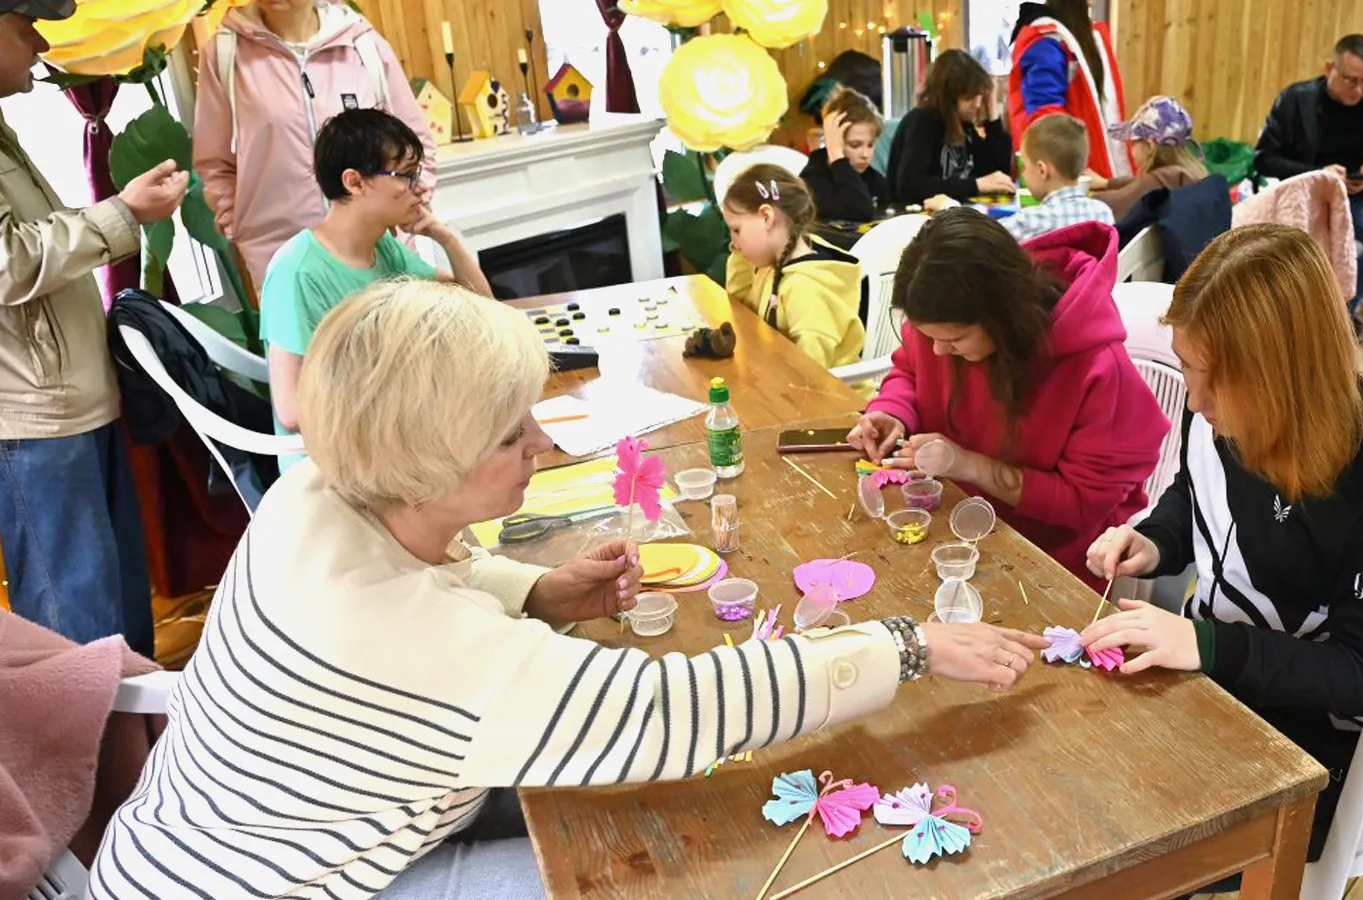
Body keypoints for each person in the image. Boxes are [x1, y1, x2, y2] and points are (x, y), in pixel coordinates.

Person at [87, 279, 1050, 900]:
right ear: (426, 470)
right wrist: (906, 646)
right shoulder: (424, 647)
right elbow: (674, 711)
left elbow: (435, 572)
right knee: (662, 874)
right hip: (281, 887)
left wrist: (539, 592)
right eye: (512, 434)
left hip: (197, 847)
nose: (543, 445)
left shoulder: (314, 493)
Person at [1081, 224, 1363, 870]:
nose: (1194, 400)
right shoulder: (1222, 406)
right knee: (1079, 771)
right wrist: (1156, 539)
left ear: (1283, 377)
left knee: (1126, 850)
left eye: (1211, 381)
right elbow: (1196, 490)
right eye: (1186, 368)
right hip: (1212, 689)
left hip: (1330, 750)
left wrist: (1209, 646)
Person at [0, 1, 190, 656]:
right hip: (37, 423)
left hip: (75, 405)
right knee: (76, 626)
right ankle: (96, 730)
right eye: (24, 24)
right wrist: (122, 214)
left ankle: (134, 726)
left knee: (118, 614)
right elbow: (7, 263)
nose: (39, 42)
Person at [848, 208, 1168, 591]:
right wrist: (892, 411)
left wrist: (968, 465)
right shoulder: (942, 317)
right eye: (928, 336)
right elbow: (910, 370)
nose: (937, 351)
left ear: (1003, 316)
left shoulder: (1095, 369)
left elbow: (1080, 504)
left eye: (954, 340)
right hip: (951, 517)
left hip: (1050, 560)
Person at [260, 108, 488, 475]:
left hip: (389, 446)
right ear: (354, 182)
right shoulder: (296, 271)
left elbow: (481, 309)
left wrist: (446, 239)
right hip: (334, 468)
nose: (420, 187)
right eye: (406, 175)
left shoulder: (383, 248)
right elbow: (291, 410)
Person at [195, 0, 437, 292]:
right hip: (281, 256)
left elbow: (416, 142)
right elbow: (214, 161)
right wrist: (239, 223)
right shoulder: (225, 52)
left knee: (400, 323)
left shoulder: (361, 44)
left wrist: (408, 203)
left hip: (379, 247)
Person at [1254, 34, 1363, 326]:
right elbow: (1264, 159)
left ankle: (1338, 307)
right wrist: (1318, 173)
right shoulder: (1295, 100)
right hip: (1307, 199)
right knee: (1288, 249)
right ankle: (1298, 317)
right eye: (1350, 80)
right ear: (1329, 68)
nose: (1359, 89)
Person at [723, 164, 865, 370]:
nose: (733, 242)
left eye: (736, 230)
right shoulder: (771, 268)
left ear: (766, 217)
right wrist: (740, 253)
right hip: (784, 379)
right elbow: (741, 313)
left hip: (829, 389)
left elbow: (811, 375)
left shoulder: (806, 290)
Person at [1006, 1, 1129, 179]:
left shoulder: (1081, 35)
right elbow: (1047, 120)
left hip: (1084, 167)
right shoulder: (1047, 42)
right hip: (1061, 173)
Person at [886, 49, 1016, 205]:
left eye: (980, 96)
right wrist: (975, 185)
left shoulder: (965, 125)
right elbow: (910, 186)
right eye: (969, 98)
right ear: (948, 98)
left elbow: (998, 175)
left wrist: (992, 114)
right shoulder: (922, 122)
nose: (977, 104)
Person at [1089, 95, 1209, 221]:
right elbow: (1138, 184)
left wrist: (1085, 196)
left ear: (1150, 147)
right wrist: (1106, 183)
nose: (1132, 151)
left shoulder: (1162, 179)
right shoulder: (1185, 173)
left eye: (1134, 143)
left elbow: (1115, 204)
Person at [1002, 113, 1113, 243]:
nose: (1023, 172)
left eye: (1024, 166)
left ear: (1042, 170)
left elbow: (985, 237)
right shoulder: (1103, 213)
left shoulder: (1027, 221)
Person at [800, 86, 891, 223]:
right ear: (833, 141)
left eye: (870, 144)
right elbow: (859, 210)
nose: (865, 154)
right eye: (855, 145)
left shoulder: (874, 179)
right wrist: (838, 158)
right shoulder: (812, 180)